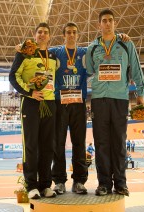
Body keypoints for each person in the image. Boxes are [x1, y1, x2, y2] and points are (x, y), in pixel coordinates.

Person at [86, 9, 144, 197]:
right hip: (98, 100)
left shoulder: (126, 44)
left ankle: (120, 183)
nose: (107, 23)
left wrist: (140, 95)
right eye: (104, 20)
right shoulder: (92, 48)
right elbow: (89, 69)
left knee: (119, 142)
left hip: (120, 99)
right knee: (101, 143)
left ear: (114, 23)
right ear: (99, 24)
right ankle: (104, 183)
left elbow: (136, 70)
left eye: (111, 20)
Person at [9, 22, 57, 199]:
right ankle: (31, 186)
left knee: (47, 146)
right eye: (39, 32)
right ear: (35, 35)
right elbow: (13, 76)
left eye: (45, 32)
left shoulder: (53, 55)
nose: (42, 35)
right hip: (30, 103)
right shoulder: (25, 53)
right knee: (31, 146)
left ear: (49, 36)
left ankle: (45, 185)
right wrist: (30, 93)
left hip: (49, 104)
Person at [50, 22, 88, 195]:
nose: (71, 35)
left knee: (79, 143)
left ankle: (79, 181)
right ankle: (59, 181)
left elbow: (102, 49)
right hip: (60, 103)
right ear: (63, 35)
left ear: (77, 34)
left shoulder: (84, 52)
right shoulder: (56, 52)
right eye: (68, 32)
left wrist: (120, 38)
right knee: (58, 143)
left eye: (74, 32)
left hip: (79, 104)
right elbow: (39, 51)